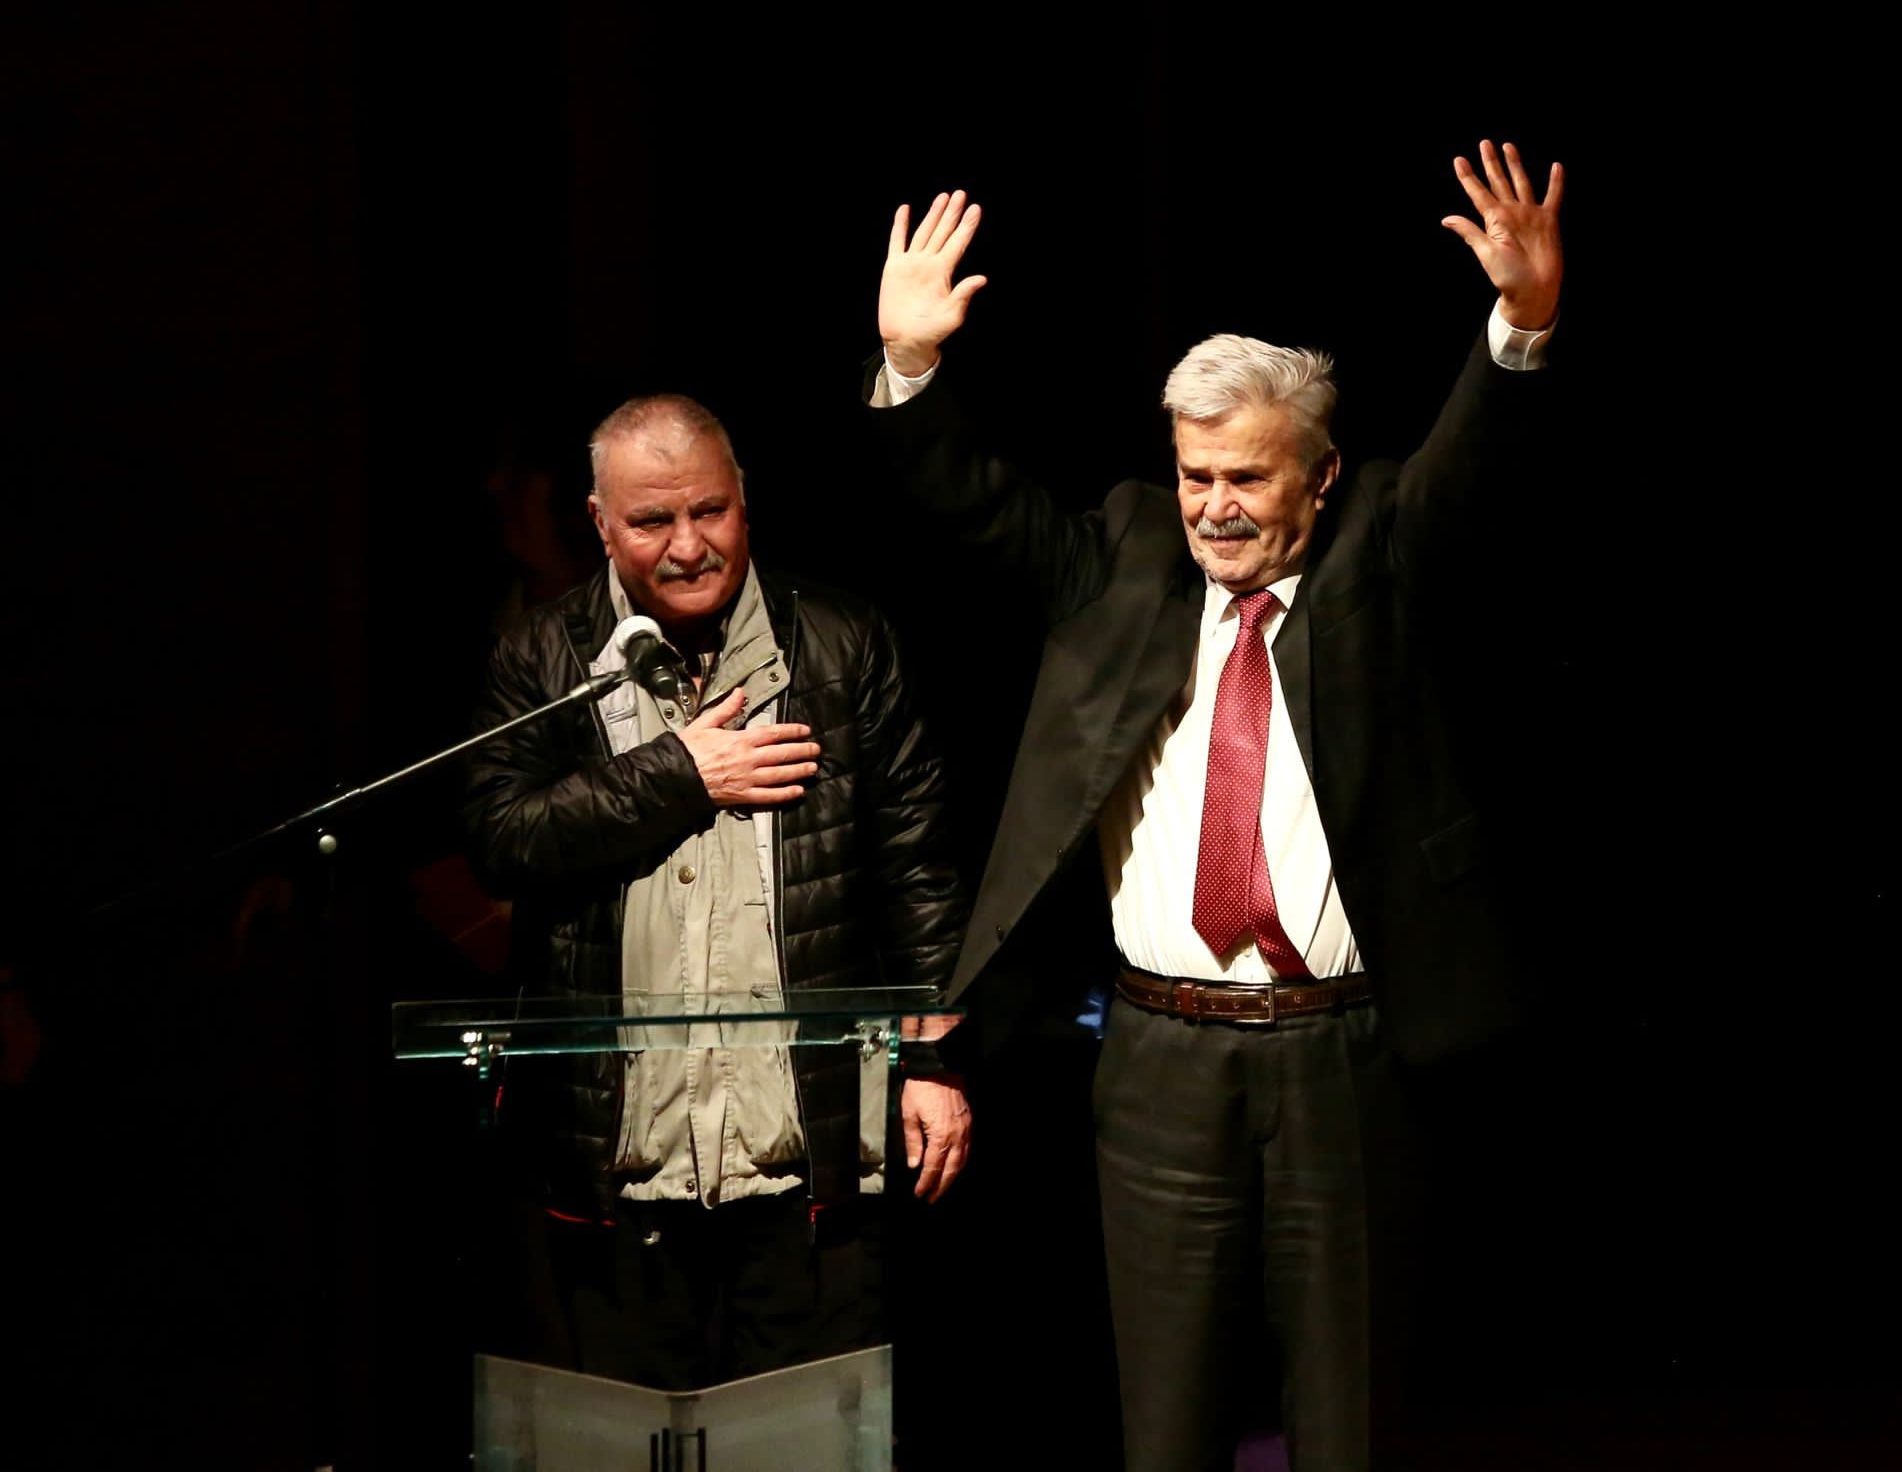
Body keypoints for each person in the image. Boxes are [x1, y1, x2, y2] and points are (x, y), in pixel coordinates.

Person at [863, 142, 1563, 1468]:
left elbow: (1471, 468)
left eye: (1246, 478)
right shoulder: (1123, 555)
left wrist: (1520, 325)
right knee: (1167, 1425)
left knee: (1348, 1423)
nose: (1214, 509)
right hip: (1159, 1062)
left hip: (1342, 1059)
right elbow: (971, 505)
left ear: (1321, 475)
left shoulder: (1377, 549)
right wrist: (910, 366)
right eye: (1196, 475)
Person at [462, 392, 971, 1390]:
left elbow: (918, 867)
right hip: (616, 1164)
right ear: (600, 523)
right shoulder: (546, 654)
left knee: (807, 1440)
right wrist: (680, 775)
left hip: (806, 1157)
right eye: (653, 521)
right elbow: (499, 840)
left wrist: (935, 1061)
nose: (689, 545)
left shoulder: (842, 641)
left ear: (745, 500)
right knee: (626, 1441)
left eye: (711, 511)